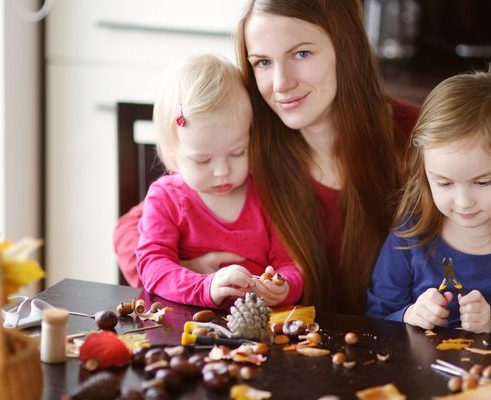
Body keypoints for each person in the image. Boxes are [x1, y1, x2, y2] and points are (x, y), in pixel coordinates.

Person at [114, 0, 419, 314]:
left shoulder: (415, 137)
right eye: (262, 62)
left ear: (346, 48)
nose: (281, 83)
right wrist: (186, 275)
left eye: (301, 53)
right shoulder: (246, 138)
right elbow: (130, 230)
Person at [365, 66, 491, 342]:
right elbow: (374, 321)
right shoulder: (407, 239)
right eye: (444, 183)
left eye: (483, 182)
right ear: (425, 175)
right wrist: (409, 316)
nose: (463, 202)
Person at [136, 54, 303, 308]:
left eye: (237, 153)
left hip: (260, 329)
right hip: (186, 328)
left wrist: (284, 286)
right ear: (172, 155)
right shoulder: (166, 198)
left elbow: (291, 261)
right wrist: (204, 286)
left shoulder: (267, 192)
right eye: (203, 160)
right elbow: (152, 265)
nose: (222, 171)